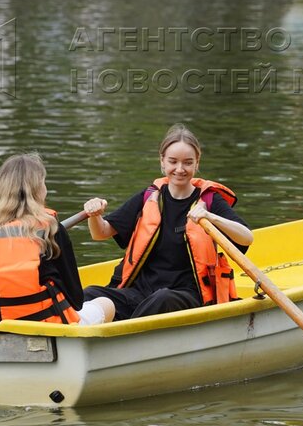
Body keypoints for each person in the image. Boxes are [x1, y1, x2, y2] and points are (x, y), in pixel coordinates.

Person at [80, 124, 252, 322]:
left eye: (187, 162)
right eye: (173, 161)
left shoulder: (209, 201)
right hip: (141, 292)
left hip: (187, 295)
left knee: (162, 299)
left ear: (197, 163)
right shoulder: (149, 197)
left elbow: (246, 238)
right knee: (89, 293)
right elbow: (100, 233)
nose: (180, 169)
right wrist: (94, 215)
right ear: (162, 161)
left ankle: (120, 328)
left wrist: (210, 217)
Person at [0, 153, 112, 328]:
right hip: (41, 328)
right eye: (44, 182)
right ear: (37, 189)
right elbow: (76, 300)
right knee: (107, 304)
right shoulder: (50, 229)